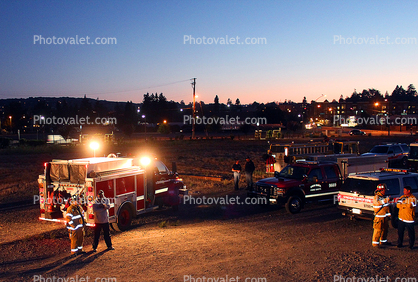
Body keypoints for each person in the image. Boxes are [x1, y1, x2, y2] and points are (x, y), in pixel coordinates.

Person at [372, 183, 391, 248]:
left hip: (384, 217)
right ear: (381, 190)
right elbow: (377, 205)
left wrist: (388, 214)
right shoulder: (376, 197)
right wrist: (386, 200)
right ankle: (375, 244)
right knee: (378, 230)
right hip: (379, 218)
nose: (385, 191)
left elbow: (386, 207)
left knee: (385, 230)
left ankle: (383, 241)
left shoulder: (384, 197)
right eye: (384, 190)